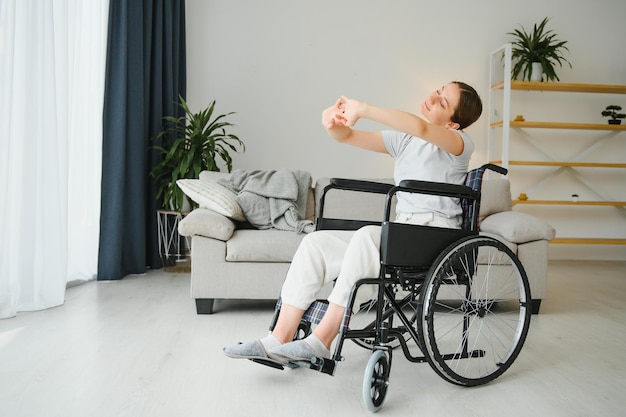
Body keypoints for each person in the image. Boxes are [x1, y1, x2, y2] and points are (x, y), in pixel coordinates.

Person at [224, 81, 483, 366]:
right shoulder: (405, 140)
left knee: (368, 236)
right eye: (439, 90)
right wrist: (331, 123)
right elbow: (346, 136)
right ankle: (278, 339)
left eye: (443, 102)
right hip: (403, 232)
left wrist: (365, 109)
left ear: (453, 125)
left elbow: (421, 128)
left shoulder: (460, 146)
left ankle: (321, 341)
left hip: (434, 238)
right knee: (315, 243)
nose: (433, 97)